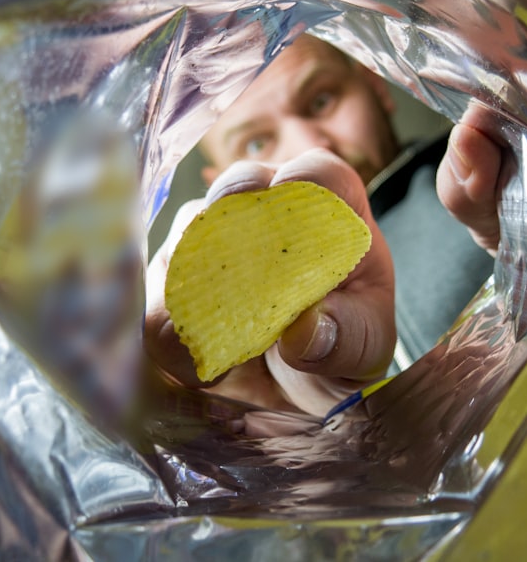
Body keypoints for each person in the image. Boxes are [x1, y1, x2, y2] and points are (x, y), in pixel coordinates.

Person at [144, 34, 503, 416]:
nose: (312, 145)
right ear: (218, 175)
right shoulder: (255, 340)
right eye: (254, 144)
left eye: (321, 100)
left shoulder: (490, 182)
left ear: (375, 84)